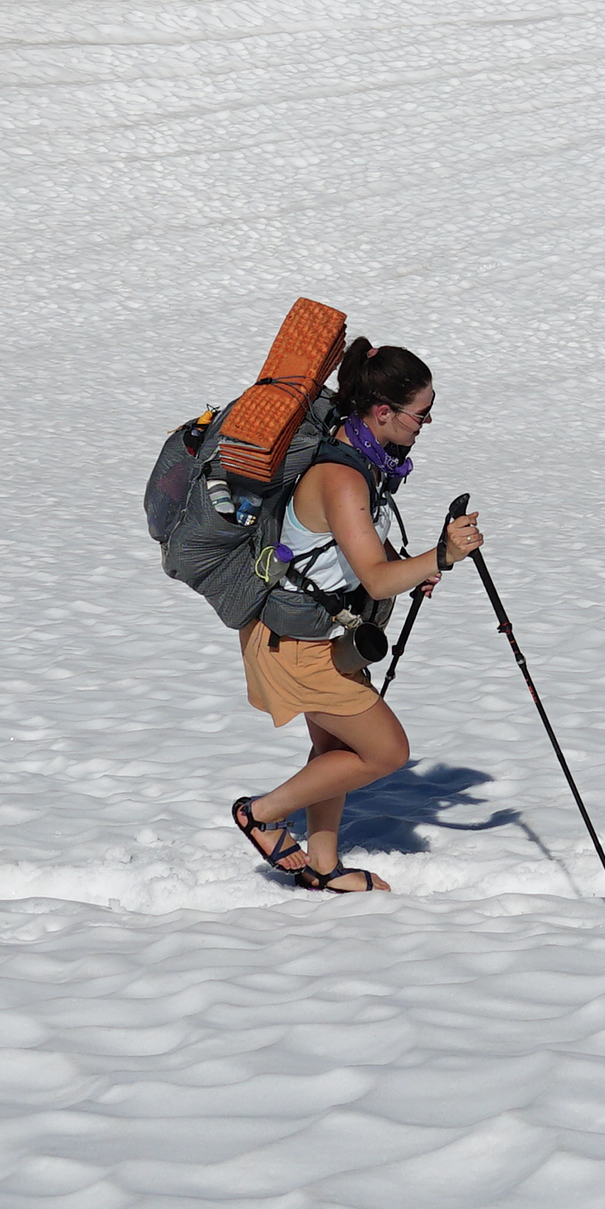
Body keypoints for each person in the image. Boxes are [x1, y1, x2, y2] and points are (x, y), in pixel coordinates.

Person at [230, 338, 482, 893]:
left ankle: (323, 868)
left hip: (314, 635)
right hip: (293, 645)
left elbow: (355, 554)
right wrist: (438, 555)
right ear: (383, 411)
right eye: (422, 412)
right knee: (387, 751)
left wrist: (413, 566)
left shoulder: (360, 459)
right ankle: (263, 813)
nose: (427, 422)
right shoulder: (344, 477)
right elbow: (372, 576)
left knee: (335, 751)